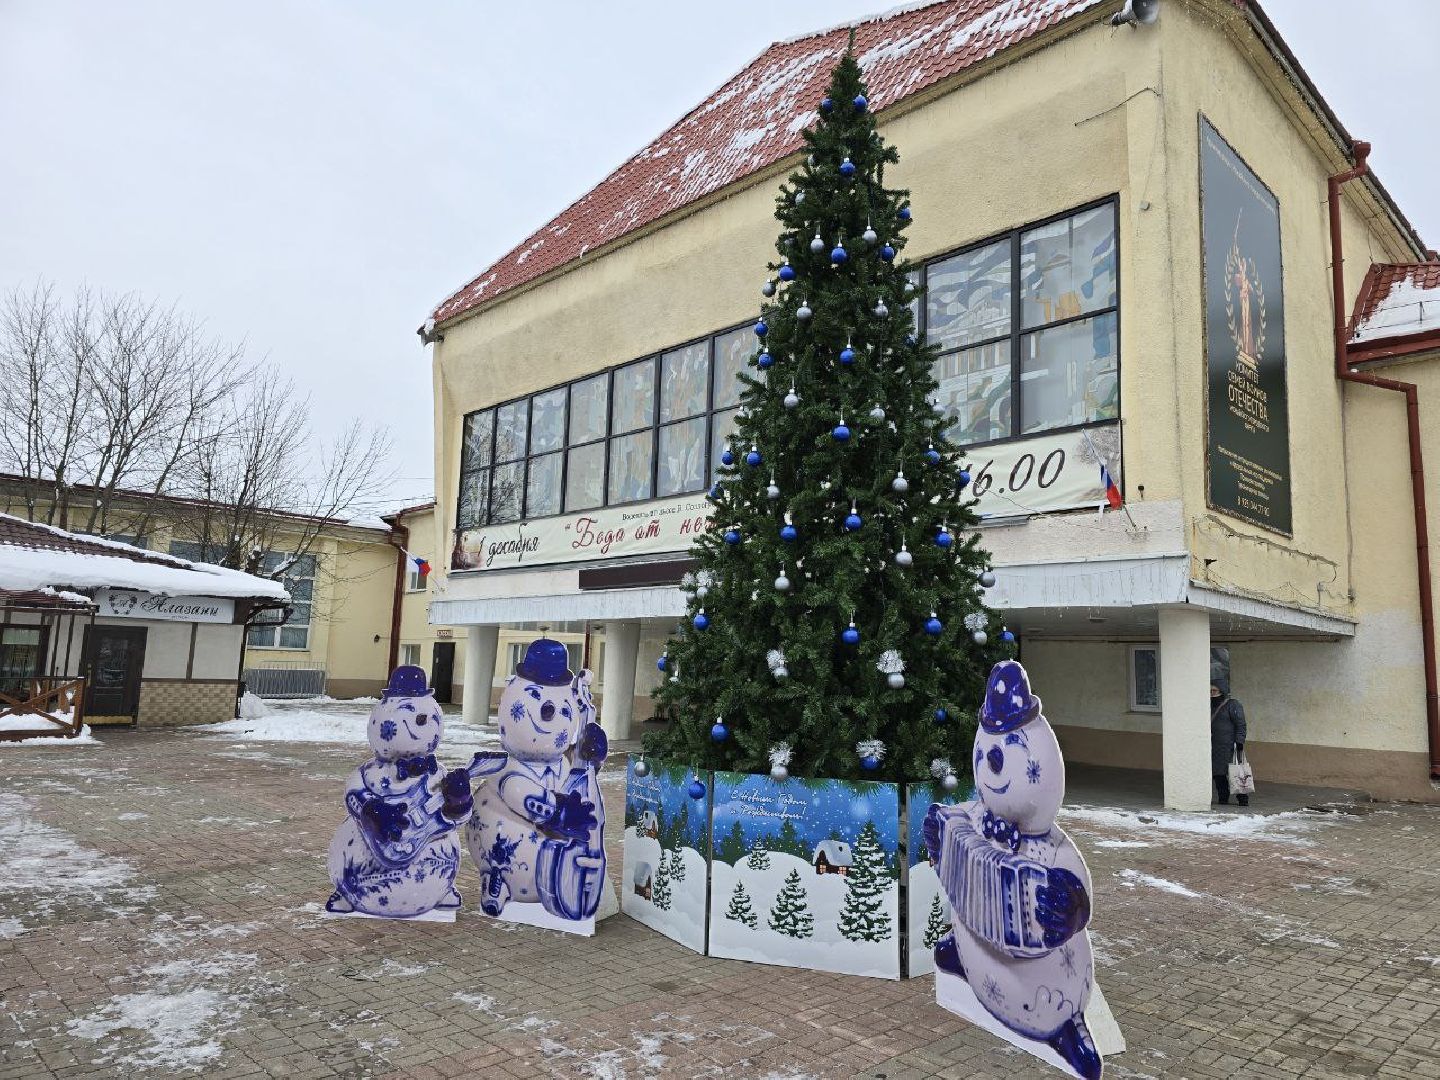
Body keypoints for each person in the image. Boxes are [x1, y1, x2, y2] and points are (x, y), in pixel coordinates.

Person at [1210, 676, 1248, 806]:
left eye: (1214, 691)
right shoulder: (1208, 705)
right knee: (1218, 773)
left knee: (1236, 772)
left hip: (1230, 746)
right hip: (1214, 746)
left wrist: (1240, 741)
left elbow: (1241, 724)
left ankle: (1242, 799)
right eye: (1210, 691)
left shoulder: (1233, 705)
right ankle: (1223, 797)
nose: (1212, 693)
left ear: (1222, 691)